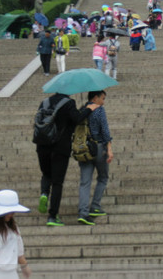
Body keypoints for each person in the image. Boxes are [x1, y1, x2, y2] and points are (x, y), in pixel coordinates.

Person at [35, 94, 96, 226]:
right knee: (57, 182)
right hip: (60, 147)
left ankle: (44, 193)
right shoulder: (68, 103)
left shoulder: (44, 102)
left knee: (46, 174)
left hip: (42, 146)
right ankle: (52, 216)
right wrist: (88, 109)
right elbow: (77, 119)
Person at [77, 91, 114, 226]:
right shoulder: (99, 110)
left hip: (84, 149)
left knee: (85, 182)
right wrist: (109, 149)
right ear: (95, 97)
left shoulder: (82, 110)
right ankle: (95, 206)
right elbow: (105, 131)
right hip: (98, 148)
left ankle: (83, 212)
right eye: (102, 98)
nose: (103, 102)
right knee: (103, 177)